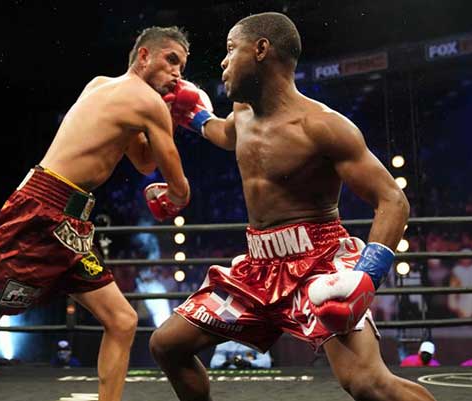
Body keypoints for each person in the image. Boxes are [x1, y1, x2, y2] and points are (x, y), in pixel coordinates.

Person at [0, 26, 192, 401]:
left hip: (71, 225)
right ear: (144, 56)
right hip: (41, 213)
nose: (178, 72)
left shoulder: (101, 85)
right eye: (172, 60)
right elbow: (176, 187)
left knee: (121, 320)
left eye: (183, 65)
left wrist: (170, 116)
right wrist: (175, 185)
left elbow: (145, 161)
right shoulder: (143, 101)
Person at [150, 12, 436, 401]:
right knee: (168, 344)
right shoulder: (242, 112)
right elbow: (226, 136)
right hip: (257, 267)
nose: (222, 61)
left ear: (262, 49)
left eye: (231, 49)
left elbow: (392, 199)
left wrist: (367, 278)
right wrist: (196, 116)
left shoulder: (322, 126)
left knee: (368, 383)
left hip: (318, 263)